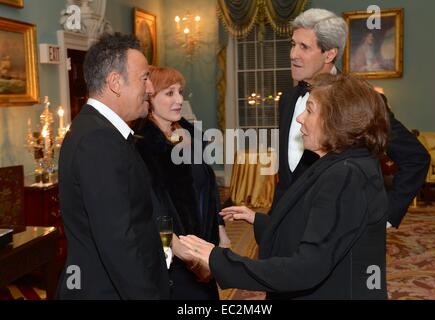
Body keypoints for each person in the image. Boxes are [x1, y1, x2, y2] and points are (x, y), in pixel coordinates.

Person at [180, 74, 390, 299]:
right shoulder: (338, 163)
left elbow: (307, 268)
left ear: (337, 119)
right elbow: (318, 226)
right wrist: (259, 221)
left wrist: (218, 260)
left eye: (309, 110)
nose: (300, 118)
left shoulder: (346, 175)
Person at [268, 8, 428, 228]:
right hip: (283, 228)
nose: (293, 54)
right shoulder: (287, 100)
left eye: (304, 47)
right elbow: (289, 175)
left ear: (329, 54)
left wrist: (387, 217)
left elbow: (416, 158)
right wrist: (269, 224)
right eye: (293, 44)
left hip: (334, 235)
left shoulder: (361, 101)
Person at [57, 33, 169, 299]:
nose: (151, 88)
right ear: (116, 83)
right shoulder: (98, 140)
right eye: (144, 78)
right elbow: (119, 242)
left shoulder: (99, 130)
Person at [134, 66, 230, 300]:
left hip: (205, 243)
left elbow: (208, 186)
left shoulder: (188, 136)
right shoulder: (144, 146)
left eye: (180, 92)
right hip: (176, 257)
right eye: (169, 93)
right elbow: (151, 207)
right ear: (150, 99)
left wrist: (220, 230)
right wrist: (189, 258)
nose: (179, 100)